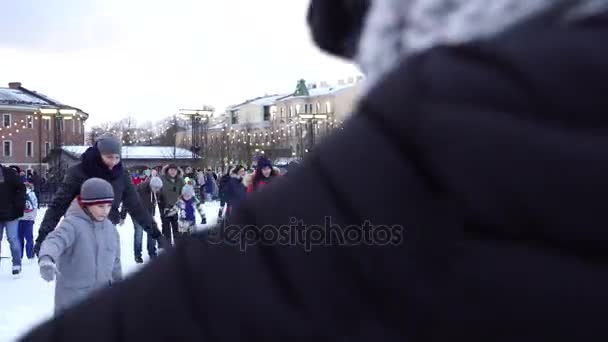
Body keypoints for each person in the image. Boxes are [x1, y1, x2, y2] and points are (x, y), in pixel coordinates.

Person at [20, 1, 608, 341]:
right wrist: (52, 235)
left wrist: (149, 230)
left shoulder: (411, 151)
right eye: (116, 157)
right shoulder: (82, 175)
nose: (120, 162)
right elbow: (67, 201)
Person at [34, 133, 164, 256]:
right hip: (79, 234)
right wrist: (43, 236)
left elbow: (136, 206)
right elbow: (58, 205)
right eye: (109, 157)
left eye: (117, 158)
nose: (113, 162)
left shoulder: (121, 175)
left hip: (107, 231)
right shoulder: (79, 172)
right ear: (98, 154)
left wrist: (156, 234)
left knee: (108, 274)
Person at [37, 178, 122, 315]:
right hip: (73, 300)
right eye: (100, 206)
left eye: (108, 206)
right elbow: (54, 240)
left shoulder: (111, 229)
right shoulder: (72, 225)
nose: (105, 211)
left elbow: (115, 261)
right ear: (86, 204)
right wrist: (46, 258)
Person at [120, 176, 164, 263]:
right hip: (137, 214)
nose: (157, 190)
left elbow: (160, 201)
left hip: (149, 213)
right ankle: (137, 255)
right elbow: (128, 200)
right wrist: (122, 216)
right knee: (139, 233)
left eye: (158, 189)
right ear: (150, 185)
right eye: (155, 188)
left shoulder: (158, 190)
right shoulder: (140, 188)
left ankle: (152, 252)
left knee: (152, 231)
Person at [0, 163, 26, 275]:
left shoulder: (9, 173)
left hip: (11, 213)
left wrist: (18, 205)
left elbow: (21, 188)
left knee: (13, 239)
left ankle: (16, 263)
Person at [159, 164, 185, 245]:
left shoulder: (180, 180)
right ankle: (168, 248)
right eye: (171, 170)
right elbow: (156, 190)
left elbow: (184, 192)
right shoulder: (162, 179)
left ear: (177, 171)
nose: (173, 172)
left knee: (176, 227)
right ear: (167, 170)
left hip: (175, 206)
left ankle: (178, 248)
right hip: (164, 206)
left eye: (175, 170)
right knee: (166, 227)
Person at [18, 182, 38, 260]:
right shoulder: (32, 194)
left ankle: (19, 255)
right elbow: (35, 206)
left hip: (19, 219)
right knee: (29, 237)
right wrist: (33, 218)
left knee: (19, 238)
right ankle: (30, 255)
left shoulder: (18, 193)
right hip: (29, 219)